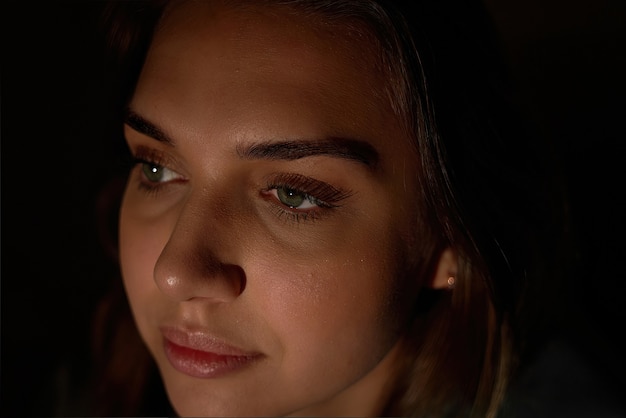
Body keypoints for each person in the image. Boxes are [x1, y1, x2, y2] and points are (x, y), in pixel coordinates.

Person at [90, 0, 571, 416]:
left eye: (292, 195)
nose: (175, 273)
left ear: (451, 239)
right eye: (157, 169)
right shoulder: (84, 390)